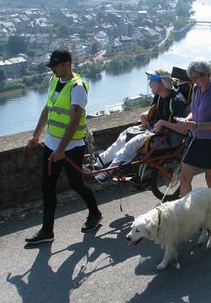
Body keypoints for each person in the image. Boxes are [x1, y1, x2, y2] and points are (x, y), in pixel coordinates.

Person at [24, 49, 102, 244]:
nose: (53, 70)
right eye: (52, 67)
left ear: (67, 64)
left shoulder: (77, 87)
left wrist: (61, 149)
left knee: (76, 184)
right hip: (52, 144)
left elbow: (75, 120)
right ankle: (47, 231)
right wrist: (36, 135)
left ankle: (95, 212)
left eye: (56, 66)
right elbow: (48, 109)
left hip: (72, 146)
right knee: (47, 187)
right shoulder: (54, 82)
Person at [94, 69, 186, 182]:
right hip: (156, 132)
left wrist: (163, 123)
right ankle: (100, 162)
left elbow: (183, 129)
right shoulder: (159, 95)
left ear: (160, 82)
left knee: (134, 142)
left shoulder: (176, 101)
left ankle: (110, 171)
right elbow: (153, 111)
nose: (149, 84)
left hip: (170, 138)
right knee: (125, 134)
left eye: (151, 81)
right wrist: (145, 115)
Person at [157, 59, 211, 196]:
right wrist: (187, 119)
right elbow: (194, 112)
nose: (193, 81)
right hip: (194, 139)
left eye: (195, 78)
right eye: (191, 78)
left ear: (206, 74)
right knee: (184, 178)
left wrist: (197, 125)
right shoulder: (196, 88)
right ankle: (186, 213)